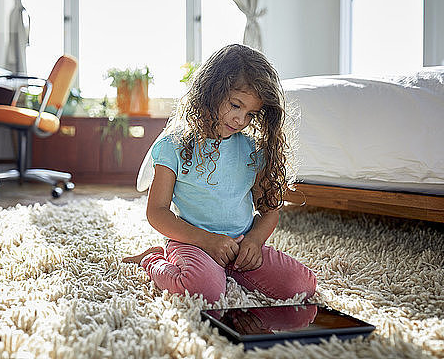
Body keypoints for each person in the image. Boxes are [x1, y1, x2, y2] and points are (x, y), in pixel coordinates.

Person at [123, 44, 316, 303]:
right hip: (192, 242)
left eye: (251, 114)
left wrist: (255, 241)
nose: (241, 120)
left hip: (240, 245)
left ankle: (226, 270)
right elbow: (156, 212)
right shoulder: (173, 145)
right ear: (211, 92)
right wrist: (207, 241)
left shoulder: (251, 150)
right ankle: (152, 259)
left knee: (302, 285)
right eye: (236, 105)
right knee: (207, 292)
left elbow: (269, 211)